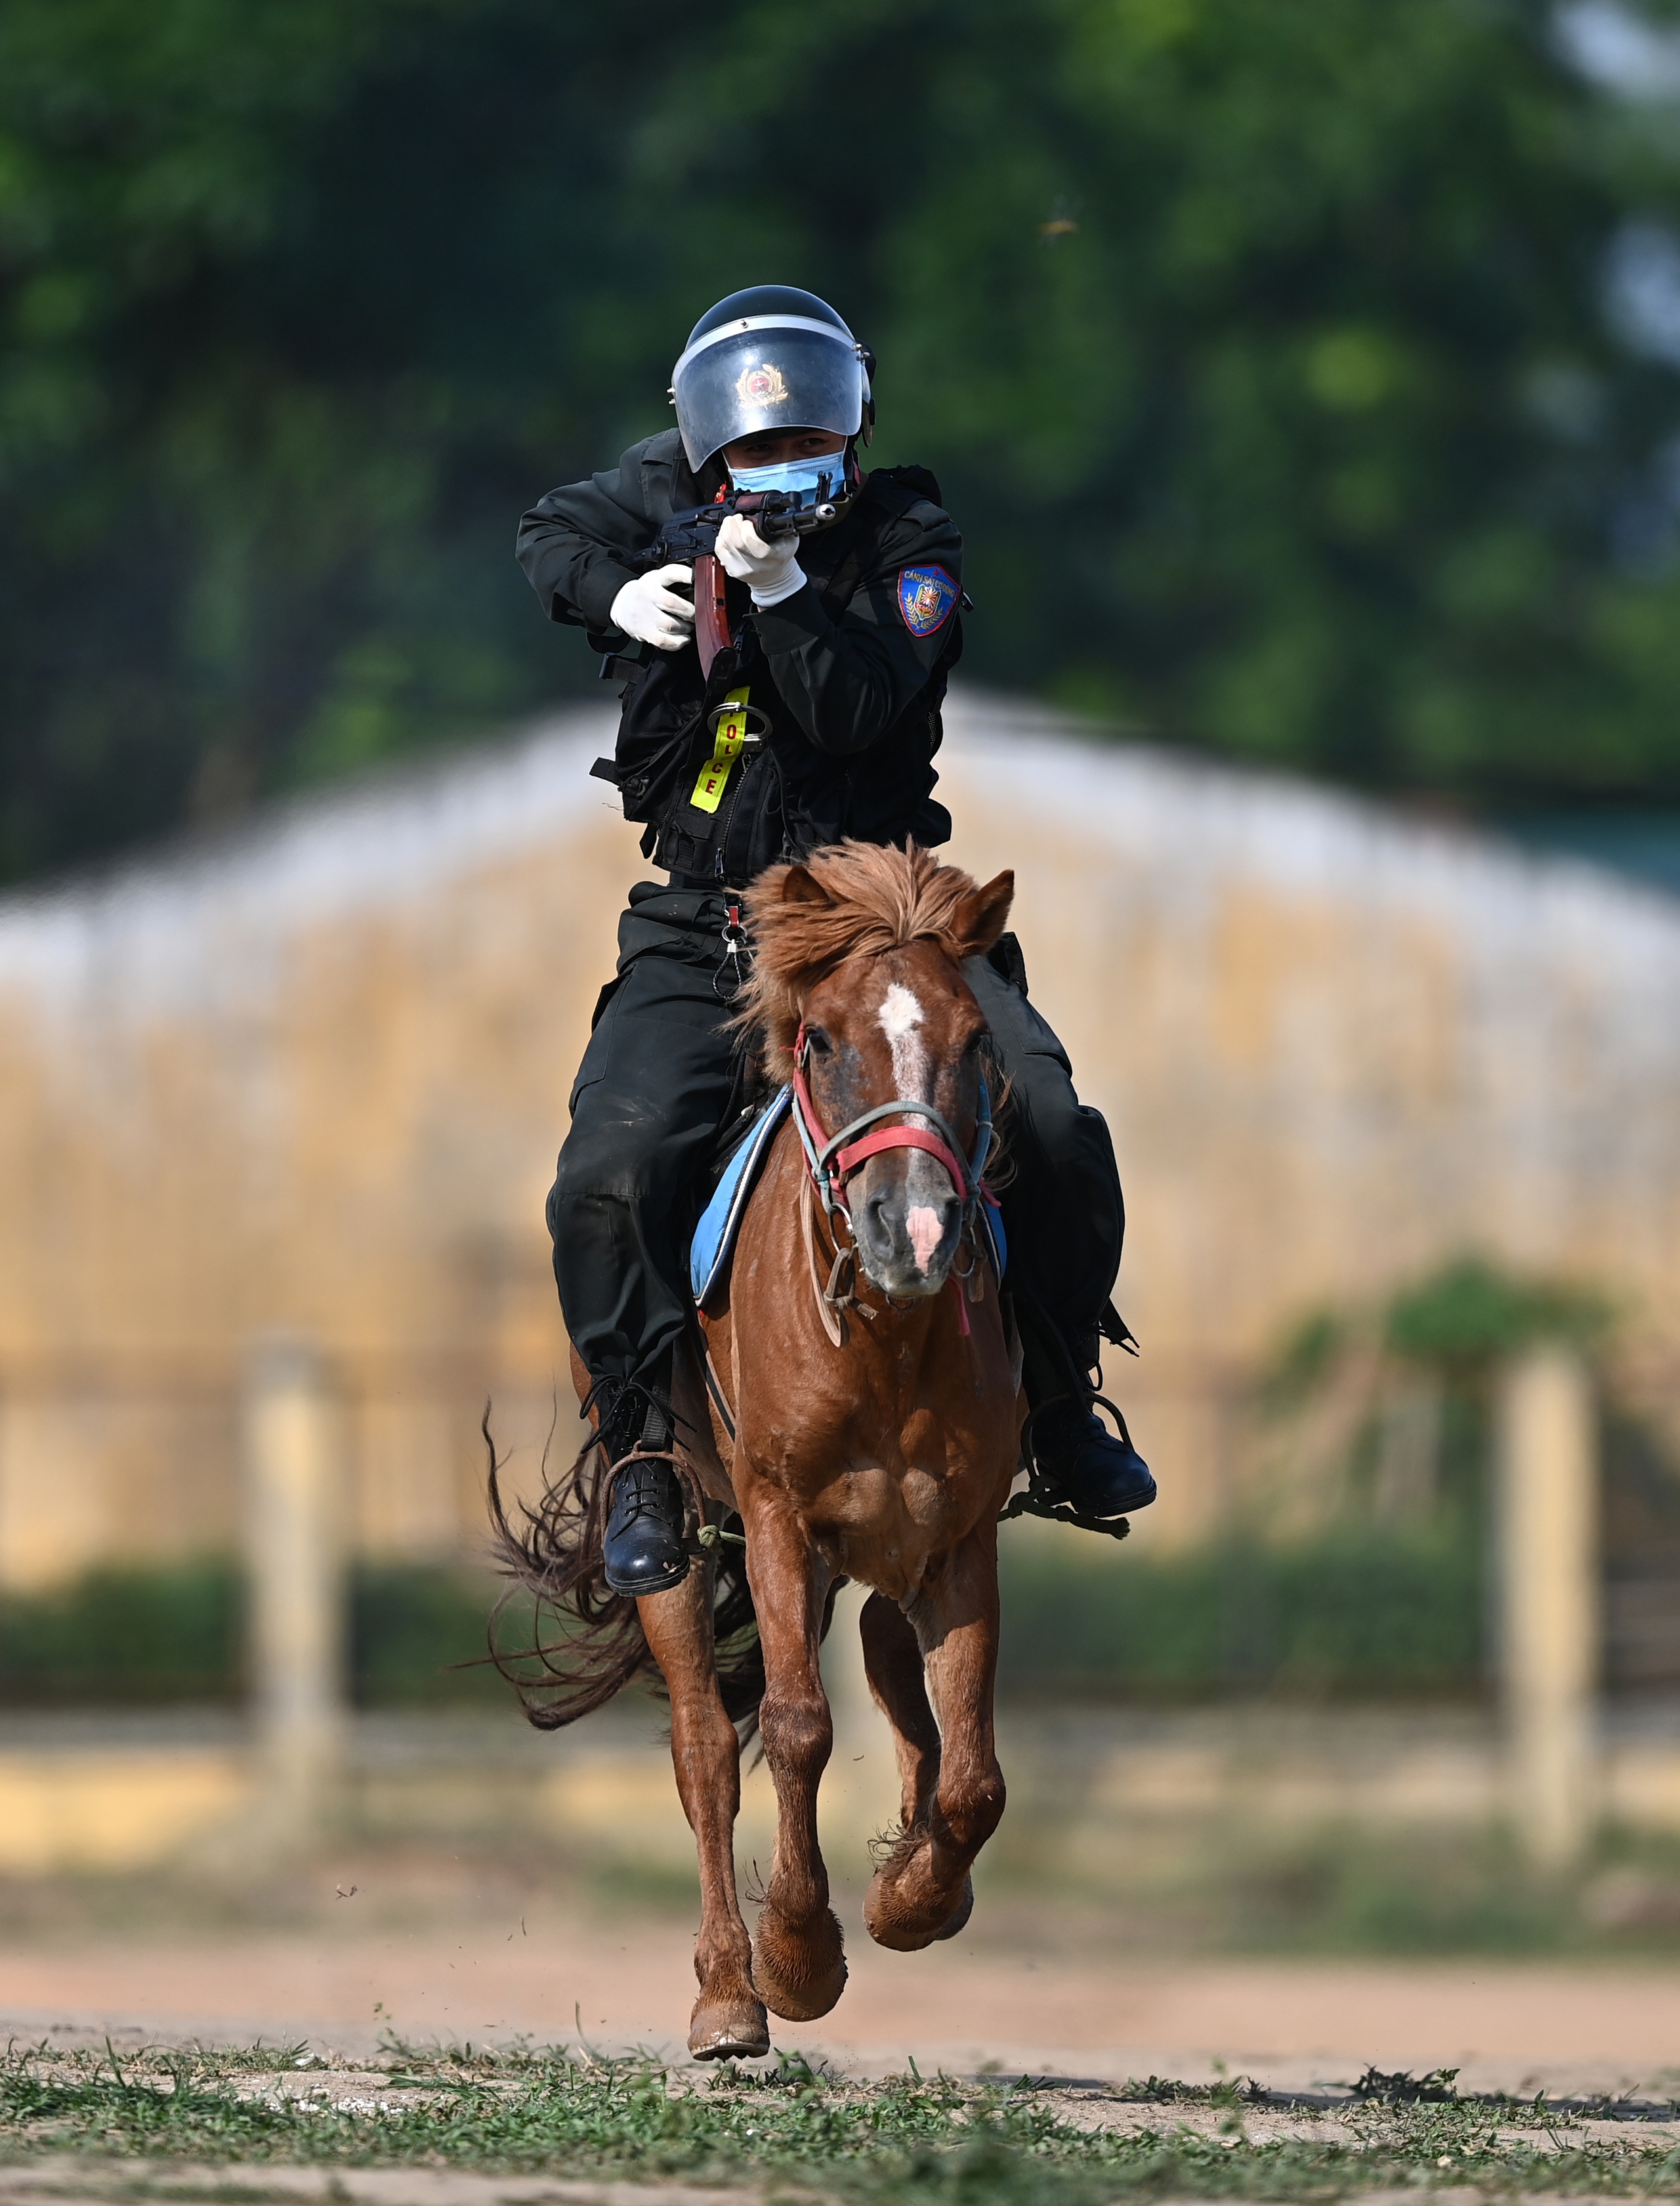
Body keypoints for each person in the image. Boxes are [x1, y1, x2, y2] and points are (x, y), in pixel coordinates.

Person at [516, 284, 1154, 1596]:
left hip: (884, 913)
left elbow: (860, 712)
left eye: (800, 440)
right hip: (710, 922)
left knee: (1046, 1120)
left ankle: (1060, 1401)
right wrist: (615, 589)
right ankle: (638, 1452)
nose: (772, 469)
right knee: (608, 1167)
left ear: (849, 428)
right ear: (704, 447)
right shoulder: (655, 494)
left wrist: (788, 592)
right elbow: (545, 532)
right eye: (747, 450)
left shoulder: (907, 543)